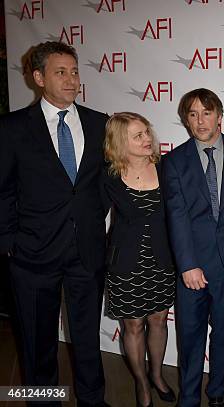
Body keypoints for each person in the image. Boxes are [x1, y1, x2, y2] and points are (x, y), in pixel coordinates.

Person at [0, 41, 109, 407]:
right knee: (37, 344)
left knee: (87, 340)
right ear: (38, 77)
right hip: (31, 256)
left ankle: (92, 401)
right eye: (60, 72)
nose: (71, 79)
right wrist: (10, 242)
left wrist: (93, 222)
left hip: (87, 253)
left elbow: (104, 185)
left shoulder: (100, 123)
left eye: (74, 71)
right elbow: (2, 191)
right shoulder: (12, 127)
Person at [163, 89, 224, 407]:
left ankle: (218, 394)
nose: (200, 120)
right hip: (192, 267)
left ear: (220, 117)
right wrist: (186, 265)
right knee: (190, 338)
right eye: (193, 114)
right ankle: (189, 397)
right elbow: (176, 215)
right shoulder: (173, 161)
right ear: (186, 119)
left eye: (206, 113)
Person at [101, 112, 176, 407]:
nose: (147, 139)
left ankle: (157, 375)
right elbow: (89, 213)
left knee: (158, 320)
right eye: (138, 136)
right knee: (133, 326)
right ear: (121, 142)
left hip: (161, 261)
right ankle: (142, 383)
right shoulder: (108, 176)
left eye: (147, 132)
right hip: (125, 265)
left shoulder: (167, 168)